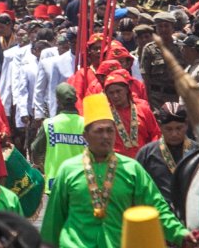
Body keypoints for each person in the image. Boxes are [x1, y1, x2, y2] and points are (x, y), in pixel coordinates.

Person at [40, 94, 188, 248]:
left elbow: (157, 208)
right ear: (85, 135)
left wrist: (181, 235)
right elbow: (53, 220)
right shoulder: (68, 170)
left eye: (110, 131)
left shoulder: (132, 169)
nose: (106, 136)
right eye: (99, 131)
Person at [135, 103, 196, 212]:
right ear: (160, 126)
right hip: (159, 215)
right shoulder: (147, 154)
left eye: (179, 128)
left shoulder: (198, 152)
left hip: (193, 214)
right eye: (169, 129)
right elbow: (137, 189)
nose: (174, 134)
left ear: (186, 125)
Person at [32, 83, 85, 189]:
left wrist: (41, 165)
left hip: (55, 181)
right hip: (80, 181)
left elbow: (35, 149)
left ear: (58, 101)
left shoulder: (49, 124)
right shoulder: (85, 124)